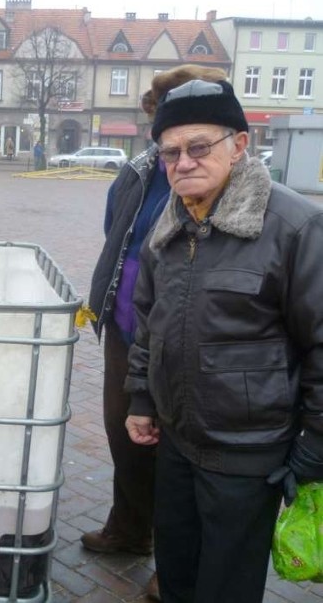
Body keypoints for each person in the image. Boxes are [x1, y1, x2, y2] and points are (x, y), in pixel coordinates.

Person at [124, 78, 323, 602]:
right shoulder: (167, 226)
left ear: (239, 145)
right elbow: (149, 322)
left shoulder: (294, 226)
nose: (182, 162)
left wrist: (315, 445)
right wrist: (142, 398)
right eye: (170, 151)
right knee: (176, 573)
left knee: (226, 588)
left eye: (198, 147)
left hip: (248, 453)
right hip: (177, 441)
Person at [83, 65, 228, 601]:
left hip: (188, 337)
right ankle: (128, 527)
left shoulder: (214, 175)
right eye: (165, 110)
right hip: (128, 328)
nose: (176, 134)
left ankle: (174, 566)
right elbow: (115, 235)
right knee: (125, 434)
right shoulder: (139, 171)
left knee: (177, 456)